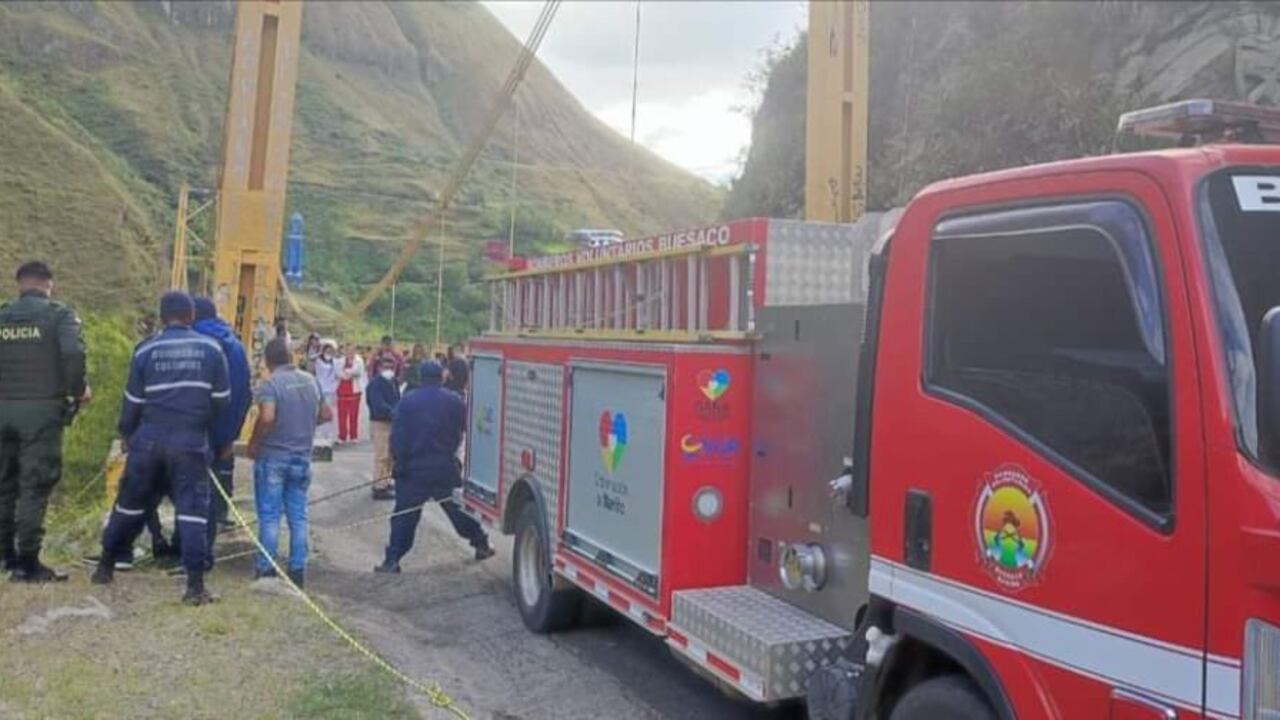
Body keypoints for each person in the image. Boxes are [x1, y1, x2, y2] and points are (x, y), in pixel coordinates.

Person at [93, 291, 229, 605]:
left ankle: (104, 567)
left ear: (162, 316)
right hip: (191, 441)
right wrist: (218, 441)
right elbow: (222, 403)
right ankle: (195, 587)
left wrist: (128, 435)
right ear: (191, 315)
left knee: (128, 506)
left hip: (148, 441)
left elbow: (132, 404)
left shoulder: (144, 351)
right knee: (192, 512)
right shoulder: (212, 349)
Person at [0, 261, 88, 582]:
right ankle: (28, 563)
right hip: (40, 411)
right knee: (34, 485)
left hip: (2, 408)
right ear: (48, 284)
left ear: (20, 283)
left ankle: (5, 557)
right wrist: (77, 390)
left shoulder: (2, 314)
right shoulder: (59, 315)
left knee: (4, 485)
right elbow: (73, 355)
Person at [374, 361, 492, 573]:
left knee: (404, 516)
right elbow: (467, 430)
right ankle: (481, 542)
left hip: (413, 469)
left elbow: (398, 437)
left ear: (420, 377)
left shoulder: (408, 402)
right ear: (443, 377)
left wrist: (398, 463)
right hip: (444, 466)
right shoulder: (455, 402)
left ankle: (392, 560)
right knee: (457, 510)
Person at [246, 338, 329, 588]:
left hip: (273, 456)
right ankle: (297, 569)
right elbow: (326, 414)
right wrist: (306, 425)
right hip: (302, 456)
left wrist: (254, 441)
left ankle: (267, 568)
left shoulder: (271, 384)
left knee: (270, 515)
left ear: (268, 361)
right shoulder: (310, 381)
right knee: (298, 516)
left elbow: (268, 417)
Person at [192, 297, 252, 545]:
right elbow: (245, 393)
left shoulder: (194, 341)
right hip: (226, 427)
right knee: (221, 475)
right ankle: (220, 517)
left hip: (196, 429)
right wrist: (232, 433)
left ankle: (192, 545)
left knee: (194, 486)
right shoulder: (235, 344)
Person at [365, 357, 400, 501]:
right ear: (379, 368)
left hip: (391, 422)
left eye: (391, 367)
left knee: (390, 455)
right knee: (382, 456)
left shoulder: (393, 382)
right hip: (380, 422)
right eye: (385, 366)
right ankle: (379, 487)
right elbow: (377, 405)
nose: (389, 370)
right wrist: (395, 411)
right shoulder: (375, 384)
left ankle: (385, 481)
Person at [336, 343, 365, 444]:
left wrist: (348, 372)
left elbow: (358, 372)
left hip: (354, 390)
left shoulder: (359, 360)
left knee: (354, 414)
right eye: (347, 350)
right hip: (342, 389)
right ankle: (342, 436)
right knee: (342, 415)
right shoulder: (340, 361)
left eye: (352, 350)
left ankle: (353, 436)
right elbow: (338, 373)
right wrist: (348, 373)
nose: (349, 352)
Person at [313, 340, 340, 442]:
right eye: (327, 351)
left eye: (330, 351)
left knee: (330, 413)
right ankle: (319, 435)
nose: (328, 353)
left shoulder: (335, 362)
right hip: (320, 390)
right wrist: (320, 353)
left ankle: (329, 436)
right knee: (319, 413)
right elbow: (311, 358)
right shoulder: (318, 361)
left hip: (331, 391)